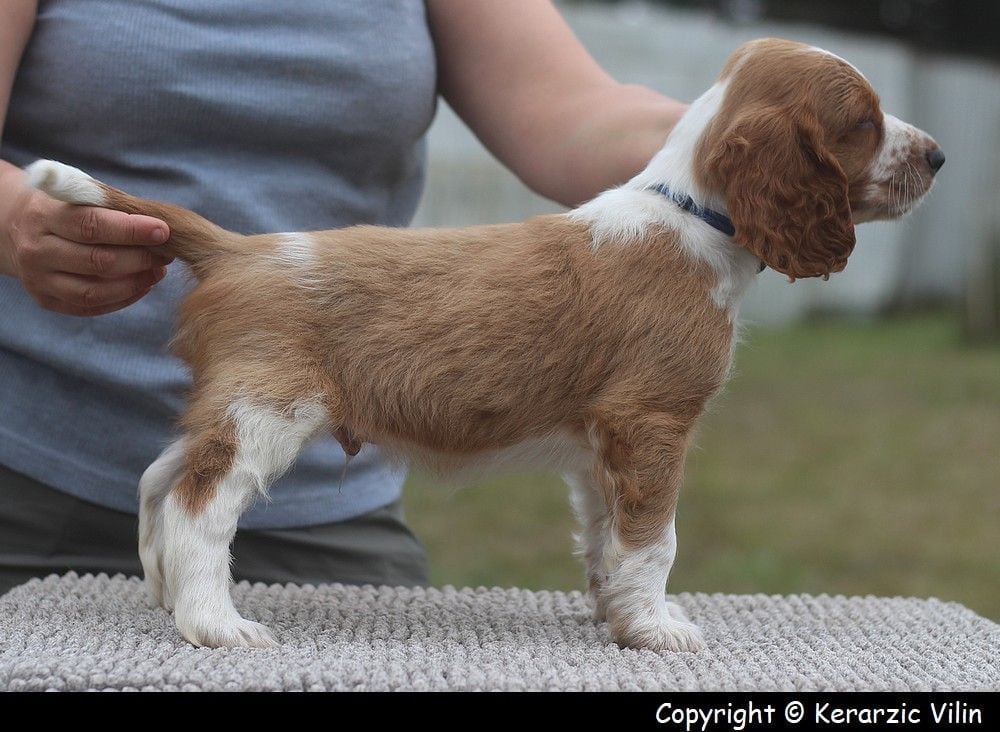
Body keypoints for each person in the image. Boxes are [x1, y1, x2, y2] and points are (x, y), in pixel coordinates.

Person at [0, 0, 686, 595]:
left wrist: (722, 139)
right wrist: (13, 219)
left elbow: (573, 113)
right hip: (31, 490)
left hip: (334, 503)